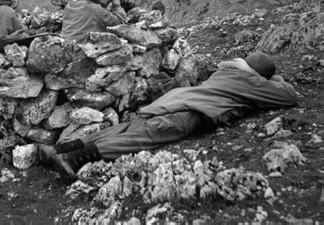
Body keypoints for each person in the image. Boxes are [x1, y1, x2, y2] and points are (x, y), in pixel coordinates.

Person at [39, 52, 297, 183]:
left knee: (127, 128)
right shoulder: (252, 81)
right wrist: (271, 78)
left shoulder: (224, 73)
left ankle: (57, 149)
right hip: (188, 112)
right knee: (145, 137)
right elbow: (288, 96)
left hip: (170, 100)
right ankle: (73, 159)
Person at [60, 0, 127, 43]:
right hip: (83, 51)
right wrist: (116, 5)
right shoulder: (96, 10)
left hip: (65, 48)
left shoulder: (70, 6)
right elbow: (118, 24)